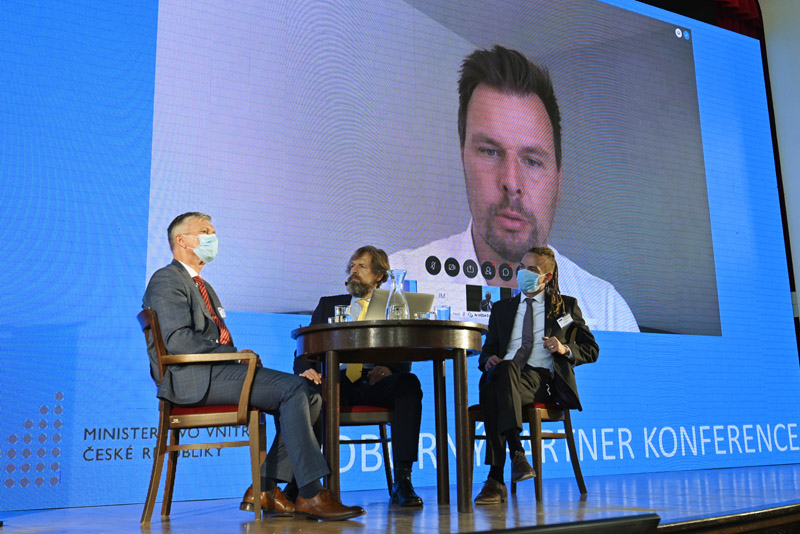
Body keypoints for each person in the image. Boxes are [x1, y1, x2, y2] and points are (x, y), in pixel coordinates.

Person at [389, 45, 638, 333]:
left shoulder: (608, 313)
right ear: (463, 159)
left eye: (532, 161)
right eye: (490, 152)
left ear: (558, 181)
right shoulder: (392, 288)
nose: (512, 182)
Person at [142, 212, 364, 521]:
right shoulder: (167, 279)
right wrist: (233, 355)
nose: (212, 238)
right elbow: (178, 340)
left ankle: (264, 489)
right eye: (204, 231)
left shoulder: (204, 286)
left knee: (310, 393)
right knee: (294, 389)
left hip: (215, 372)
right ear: (181, 240)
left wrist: (233, 356)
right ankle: (312, 493)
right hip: (193, 379)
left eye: (214, 232)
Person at [294, 246, 425, 507]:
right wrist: (304, 370)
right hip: (336, 381)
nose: (354, 270)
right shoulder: (328, 304)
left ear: (379, 275)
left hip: (376, 381)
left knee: (409, 384)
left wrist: (392, 369)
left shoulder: (394, 306)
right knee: (304, 391)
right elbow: (305, 345)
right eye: (352, 265)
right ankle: (304, 484)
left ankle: (403, 480)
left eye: (362, 266)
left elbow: (405, 346)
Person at [473, 246, 598, 505]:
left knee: (493, 387)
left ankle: (495, 478)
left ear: (547, 277)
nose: (523, 273)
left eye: (532, 270)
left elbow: (591, 349)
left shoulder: (565, 307)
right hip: (505, 375)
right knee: (500, 373)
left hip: (541, 381)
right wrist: (488, 359)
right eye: (521, 267)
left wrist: (564, 348)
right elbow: (488, 350)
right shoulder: (501, 309)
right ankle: (517, 454)